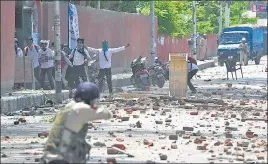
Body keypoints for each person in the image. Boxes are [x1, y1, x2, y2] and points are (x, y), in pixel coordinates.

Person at [41, 82, 112, 164]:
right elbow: (108, 114)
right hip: (63, 158)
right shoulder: (81, 108)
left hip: (49, 156)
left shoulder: (68, 106)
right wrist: (96, 107)